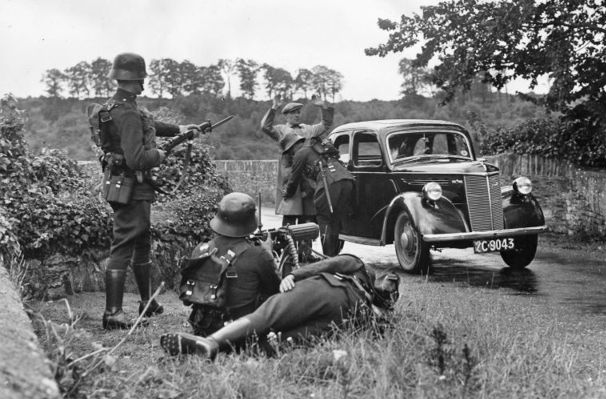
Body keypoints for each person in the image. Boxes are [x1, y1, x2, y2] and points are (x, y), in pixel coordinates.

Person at [99, 52, 202, 330]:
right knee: (123, 245)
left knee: (142, 241)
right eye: (141, 80)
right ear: (135, 80)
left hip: (125, 186)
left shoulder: (116, 108)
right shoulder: (129, 113)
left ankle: (147, 303)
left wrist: (182, 130)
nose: (144, 85)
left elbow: (150, 126)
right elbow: (137, 159)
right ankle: (113, 314)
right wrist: (160, 153)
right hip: (133, 188)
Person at [160, 254, 400, 360]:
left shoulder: (357, 267)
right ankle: (220, 347)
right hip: (339, 310)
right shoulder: (371, 309)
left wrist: (295, 274)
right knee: (280, 338)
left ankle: (211, 343)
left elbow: (329, 264)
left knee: (268, 320)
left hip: (326, 292)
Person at [179, 192, 281, 337]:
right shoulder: (259, 255)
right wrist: (269, 254)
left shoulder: (202, 249)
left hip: (204, 329)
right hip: (242, 332)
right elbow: (275, 290)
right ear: (249, 221)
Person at [260, 95, 334, 227]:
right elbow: (265, 126)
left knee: (308, 219)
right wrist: (274, 108)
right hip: (291, 176)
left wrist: (323, 107)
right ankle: (288, 246)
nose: (297, 115)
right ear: (286, 115)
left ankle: (305, 246)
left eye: (298, 112)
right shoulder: (281, 130)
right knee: (290, 216)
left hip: (308, 178)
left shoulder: (307, 129)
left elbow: (326, 124)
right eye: (294, 113)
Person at [282, 136, 355, 256]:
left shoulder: (301, 153)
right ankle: (334, 257)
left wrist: (287, 193)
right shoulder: (319, 149)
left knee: (325, 221)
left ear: (293, 147)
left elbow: (294, 179)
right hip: (348, 180)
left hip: (330, 183)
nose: (291, 155)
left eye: (290, 151)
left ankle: (328, 259)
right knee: (335, 220)